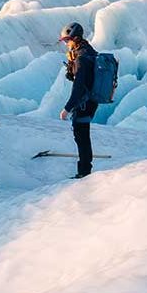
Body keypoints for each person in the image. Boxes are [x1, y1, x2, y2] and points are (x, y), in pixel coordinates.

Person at [59, 21, 98, 179]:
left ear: (75, 38)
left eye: (68, 40)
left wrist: (67, 108)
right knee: (82, 134)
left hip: (84, 102)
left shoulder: (82, 58)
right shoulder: (89, 51)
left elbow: (79, 88)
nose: (66, 44)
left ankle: (84, 172)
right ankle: (84, 168)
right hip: (90, 100)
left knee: (81, 135)